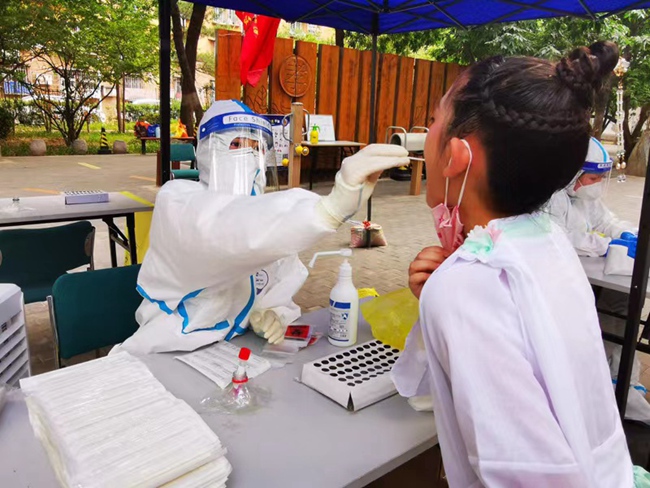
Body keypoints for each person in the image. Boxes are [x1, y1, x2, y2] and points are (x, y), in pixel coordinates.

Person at [392, 41, 647, 486]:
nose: (428, 134)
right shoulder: (548, 239)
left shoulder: (467, 287)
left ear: (456, 156)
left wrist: (452, 291)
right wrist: (447, 286)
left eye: (434, 120)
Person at [116, 100, 408, 355]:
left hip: (232, 354)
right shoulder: (178, 201)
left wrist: (272, 313)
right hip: (164, 351)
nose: (250, 159)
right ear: (207, 152)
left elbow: (279, 278)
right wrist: (328, 210)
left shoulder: (268, 219)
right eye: (237, 145)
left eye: (257, 150)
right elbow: (227, 230)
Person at [548, 138, 650, 424]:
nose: (597, 185)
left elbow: (607, 221)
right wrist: (605, 245)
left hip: (593, 276)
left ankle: (619, 377)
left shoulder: (585, 197)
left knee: (623, 302)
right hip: (564, 281)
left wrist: (626, 233)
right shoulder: (553, 199)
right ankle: (604, 379)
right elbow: (563, 237)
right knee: (606, 313)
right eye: (593, 178)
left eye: (601, 178)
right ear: (573, 175)